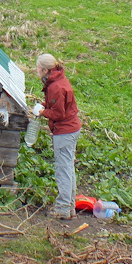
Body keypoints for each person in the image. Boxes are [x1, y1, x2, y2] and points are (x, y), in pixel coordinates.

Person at [33, 53, 81, 219]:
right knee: (68, 168)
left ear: (45, 70)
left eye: (38, 67)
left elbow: (59, 113)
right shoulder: (58, 79)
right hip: (71, 128)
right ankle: (70, 207)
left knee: (63, 169)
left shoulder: (55, 87)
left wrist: (42, 112)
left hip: (64, 131)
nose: (36, 70)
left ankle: (62, 208)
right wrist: (45, 105)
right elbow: (58, 104)